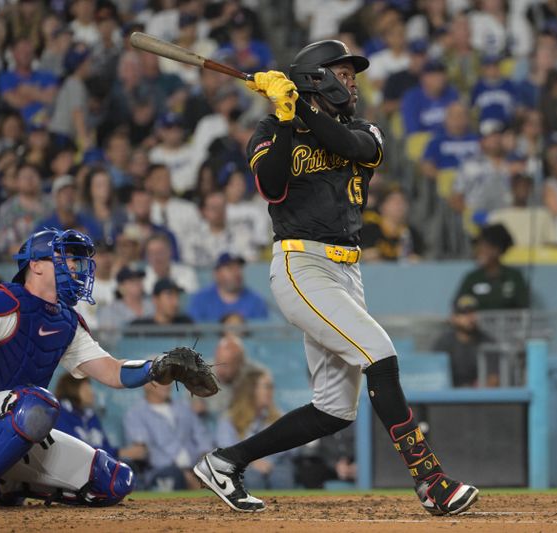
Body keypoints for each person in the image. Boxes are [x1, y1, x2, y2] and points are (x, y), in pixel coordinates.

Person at [192, 40, 479, 516]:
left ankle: (225, 462)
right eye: (342, 74)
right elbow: (271, 185)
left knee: (334, 409)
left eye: (352, 75)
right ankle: (431, 481)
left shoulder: (365, 130)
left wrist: (297, 110)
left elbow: (351, 147)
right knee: (380, 353)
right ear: (315, 77)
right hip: (301, 265)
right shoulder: (270, 128)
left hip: (347, 269)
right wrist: (285, 117)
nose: (352, 83)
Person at [0, 228, 208, 510]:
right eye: (64, 257)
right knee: (38, 404)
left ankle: (9, 481)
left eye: (76, 259)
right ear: (36, 265)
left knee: (114, 481)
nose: (74, 265)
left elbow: (112, 371)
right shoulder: (4, 300)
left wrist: (157, 367)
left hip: (14, 421)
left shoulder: (67, 321)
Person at [124, 382, 211, 491]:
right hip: (161, 472)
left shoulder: (184, 408)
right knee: (174, 475)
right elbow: (142, 451)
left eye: (168, 380)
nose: (167, 384)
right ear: (146, 384)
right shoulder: (135, 414)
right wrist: (182, 472)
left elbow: (202, 437)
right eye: (161, 380)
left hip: (196, 469)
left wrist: (204, 466)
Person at [215, 369, 294, 490]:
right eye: (267, 387)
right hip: (243, 466)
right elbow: (226, 448)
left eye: (271, 387)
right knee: (252, 477)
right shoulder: (230, 419)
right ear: (251, 390)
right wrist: (252, 462)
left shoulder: (278, 416)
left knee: (281, 476)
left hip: (275, 464)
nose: (271, 391)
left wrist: (268, 460)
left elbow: (292, 445)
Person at [196, 335, 264, 422]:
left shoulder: (256, 376)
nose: (220, 370)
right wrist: (196, 403)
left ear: (240, 363)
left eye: (225, 366)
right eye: (217, 361)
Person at [188, 252, 268, 323]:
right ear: (216, 274)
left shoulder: (255, 301)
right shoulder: (201, 299)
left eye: (239, 268)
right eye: (230, 268)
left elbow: (260, 335)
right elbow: (194, 332)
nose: (236, 273)